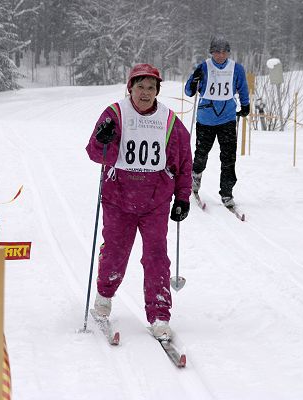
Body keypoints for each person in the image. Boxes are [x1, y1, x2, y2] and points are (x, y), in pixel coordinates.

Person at [86, 63, 192, 340]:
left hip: (155, 199)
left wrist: (183, 197)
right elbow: (95, 153)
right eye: (140, 86)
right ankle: (103, 298)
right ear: (130, 87)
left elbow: (183, 162)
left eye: (151, 88)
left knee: (157, 257)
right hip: (119, 196)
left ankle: (159, 314)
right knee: (115, 252)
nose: (145, 93)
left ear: (157, 90)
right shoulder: (115, 114)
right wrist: (102, 140)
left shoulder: (170, 121)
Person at [185, 36, 250, 208]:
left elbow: (243, 87)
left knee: (228, 157)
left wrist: (245, 105)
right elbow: (189, 91)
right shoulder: (204, 67)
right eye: (216, 52)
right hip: (206, 119)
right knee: (201, 154)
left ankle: (227, 193)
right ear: (211, 52)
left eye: (224, 52)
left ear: (228, 52)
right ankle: (195, 178)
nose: (220, 55)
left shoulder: (237, 68)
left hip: (227, 118)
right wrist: (194, 80)